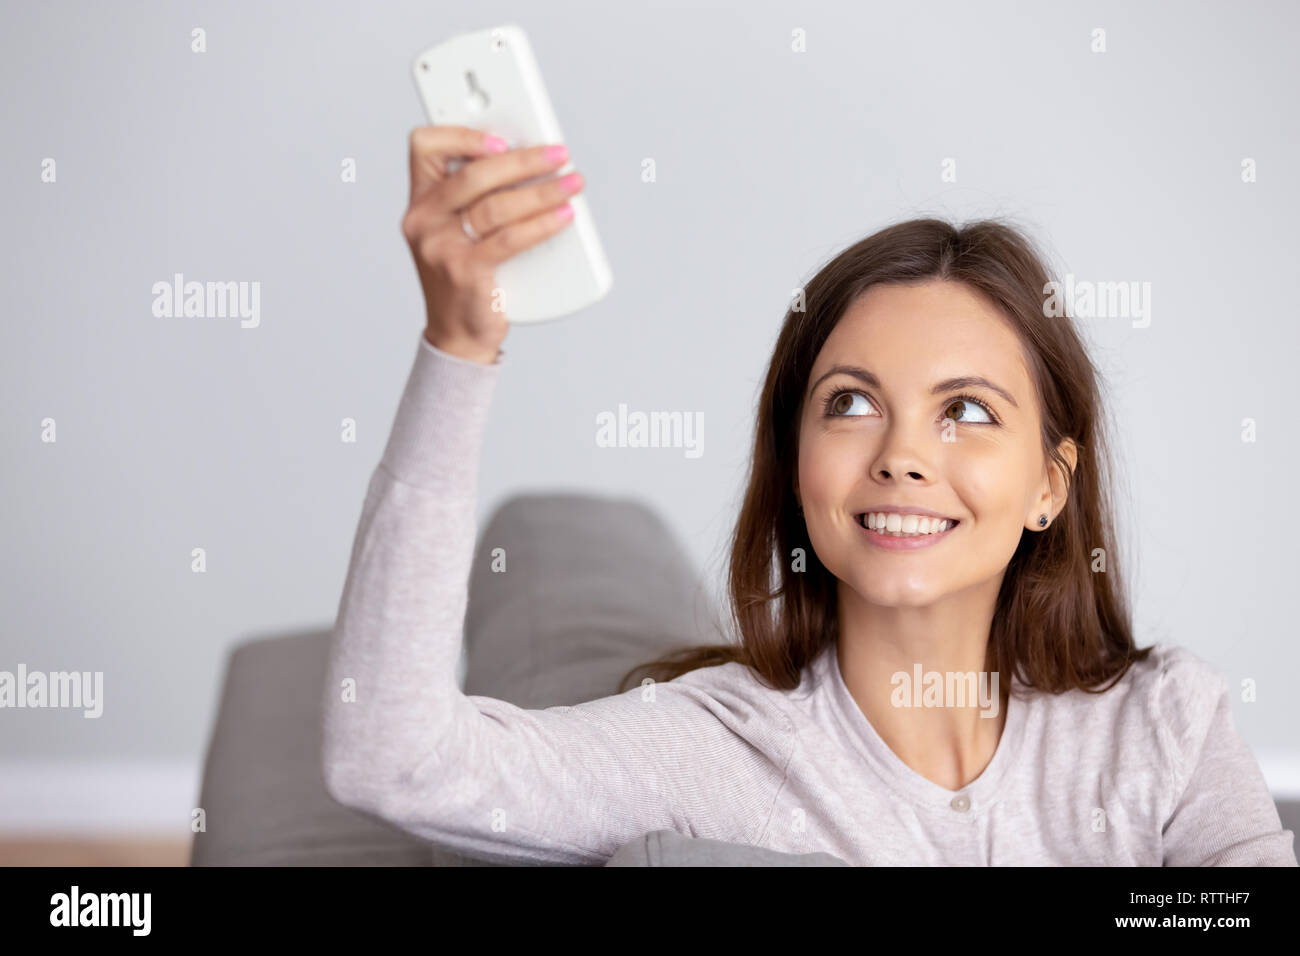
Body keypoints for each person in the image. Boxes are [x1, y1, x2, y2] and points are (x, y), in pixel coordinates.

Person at [320, 125, 1297, 866]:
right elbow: (392, 756)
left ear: (1049, 483)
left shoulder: (1162, 725)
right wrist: (458, 344)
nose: (904, 454)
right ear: (795, 462)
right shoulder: (712, 746)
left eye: (964, 408)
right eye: (852, 402)